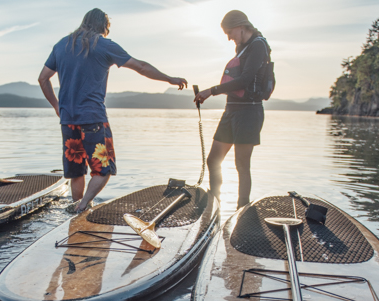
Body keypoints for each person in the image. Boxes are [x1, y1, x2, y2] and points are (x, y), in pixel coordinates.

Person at [38, 8, 188, 213]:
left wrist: (57, 106)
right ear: (103, 27)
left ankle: (75, 209)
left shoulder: (61, 45)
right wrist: (169, 79)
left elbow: (43, 78)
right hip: (93, 119)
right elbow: (141, 67)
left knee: (76, 171)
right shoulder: (104, 45)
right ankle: (82, 206)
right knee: (103, 169)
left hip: (67, 119)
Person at [193, 10, 270, 208]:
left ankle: (241, 208)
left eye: (229, 32)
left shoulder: (258, 46)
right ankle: (214, 204)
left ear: (240, 26)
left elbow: (245, 80)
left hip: (249, 112)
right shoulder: (243, 47)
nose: (228, 37)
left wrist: (212, 90)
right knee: (213, 160)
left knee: (242, 165)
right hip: (231, 111)